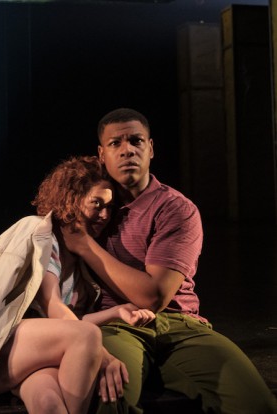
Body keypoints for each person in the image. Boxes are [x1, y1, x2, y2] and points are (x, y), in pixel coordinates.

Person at [61, 108, 277, 414]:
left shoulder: (176, 209)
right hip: (115, 324)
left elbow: (154, 297)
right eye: (115, 143)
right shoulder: (88, 207)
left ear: (151, 148)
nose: (128, 150)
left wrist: (86, 247)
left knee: (256, 403)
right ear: (101, 154)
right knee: (111, 400)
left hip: (179, 325)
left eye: (136, 141)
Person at [0, 156, 156, 414]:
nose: (104, 214)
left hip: (29, 357)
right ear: (71, 199)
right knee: (89, 337)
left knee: (48, 403)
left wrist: (116, 312)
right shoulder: (41, 235)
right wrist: (106, 358)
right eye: (96, 204)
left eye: (109, 207)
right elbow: (56, 309)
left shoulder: (78, 260)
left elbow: (64, 324)